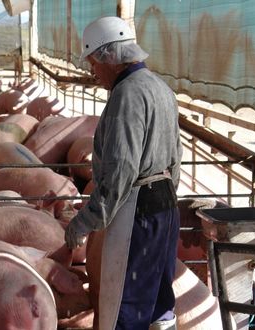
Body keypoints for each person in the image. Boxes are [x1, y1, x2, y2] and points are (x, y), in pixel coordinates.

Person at [64, 16, 182, 330]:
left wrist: (87, 220)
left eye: (93, 63)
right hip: (165, 205)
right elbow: (176, 158)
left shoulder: (126, 94)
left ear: (109, 57)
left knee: (124, 306)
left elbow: (121, 170)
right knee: (159, 303)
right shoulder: (161, 88)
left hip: (137, 211)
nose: (92, 71)